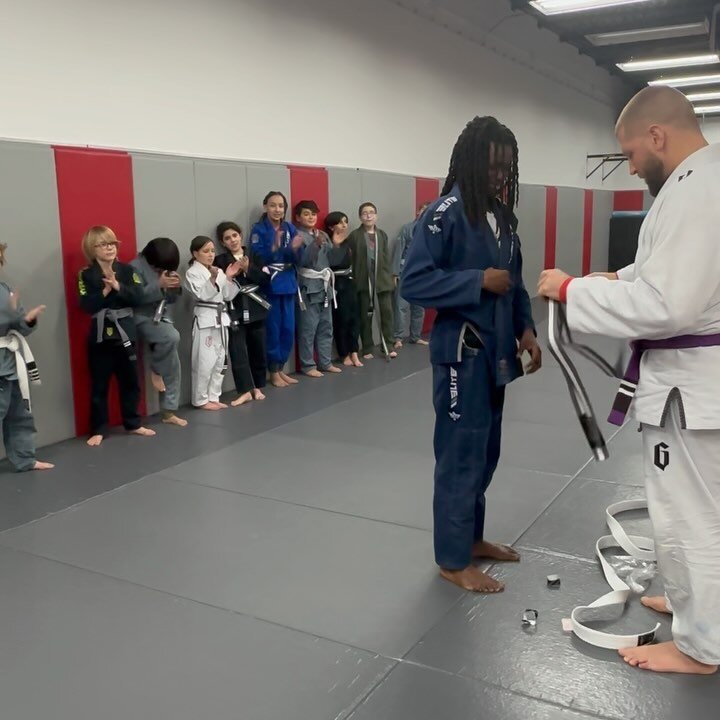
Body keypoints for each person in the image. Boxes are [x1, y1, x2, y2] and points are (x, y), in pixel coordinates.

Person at [538, 86, 720, 676]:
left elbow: (668, 302)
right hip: (696, 385)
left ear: (657, 136)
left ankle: (701, 646)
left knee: (690, 516)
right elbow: (662, 270)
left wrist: (572, 290)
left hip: (691, 391)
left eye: (632, 153)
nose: (633, 166)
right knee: (703, 511)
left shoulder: (698, 191)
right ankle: (698, 606)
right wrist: (614, 276)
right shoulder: (700, 182)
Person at [401, 116, 541, 594]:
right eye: (493, 165)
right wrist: (475, 280)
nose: (501, 175)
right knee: (460, 455)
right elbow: (413, 282)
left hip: (498, 352)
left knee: (485, 452)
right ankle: (452, 558)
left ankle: (473, 537)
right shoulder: (443, 213)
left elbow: (515, 280)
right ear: (471, 160)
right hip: (462, 353)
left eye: (507, 168)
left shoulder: (502, 217)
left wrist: (527, 329)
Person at [78, 226, 156, 446]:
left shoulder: (128, 271)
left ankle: (133, 423)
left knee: (131, 379)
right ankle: (99, 428)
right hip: (101, 333)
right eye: (103, 244)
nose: (109, 248)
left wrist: (118, 286)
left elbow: (140, 297)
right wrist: (104, 291)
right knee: (100, 383)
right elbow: (85, 304)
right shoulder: (86, 274)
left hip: (126, 328)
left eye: (112, 243)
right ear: (92, 249)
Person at [0, 242, 53, 471]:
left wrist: (28, 320)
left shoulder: (4, 288)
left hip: (10, 363)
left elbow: (18, 324)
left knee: (19, 414)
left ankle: (25, 459)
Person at [130, 237, 187, 426]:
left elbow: (168, 300)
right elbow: (134, 298)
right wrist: (158, 285)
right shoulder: (134, 268)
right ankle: (156, 368)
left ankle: (169, 411)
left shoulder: (163, 267)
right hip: (141, 317)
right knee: (172, 336)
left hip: (161, 316)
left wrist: (174, 288)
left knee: (173, 362)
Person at [249, 192, 304, 387]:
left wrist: (296, 249)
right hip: (271, 284)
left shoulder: (289, 227)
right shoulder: (258, 230)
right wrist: (274, 246)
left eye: (281, 206)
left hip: (288, 282)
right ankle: (272, 371)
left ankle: (280, 367)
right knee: (273, 328)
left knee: (288, 328)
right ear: (265, 207)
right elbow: (257, 257)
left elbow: (298, 258)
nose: (277, 209)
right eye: (273, 205)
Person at [214, 221, 270, 403]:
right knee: (237, 350)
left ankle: (257, 386)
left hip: (256, 307)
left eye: (234, 236)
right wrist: (231, 275)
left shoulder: (256, 255)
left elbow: (266, 280)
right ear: (223, 243)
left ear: (241, 235)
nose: (232, 240)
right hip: (235, 309)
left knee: (258, 349)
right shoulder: (221, 261)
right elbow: (220, 285)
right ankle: (245, 390)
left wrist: (248, 269)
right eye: (227, 238)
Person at [184, 236, 242, 410]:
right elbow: (202, 295)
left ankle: (214, 396)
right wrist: (212, 279)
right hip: (205, 319)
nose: (210, 255)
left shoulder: (217, 270)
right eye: (205, 251)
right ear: (195, 253)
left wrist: (229, 277)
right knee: (204, 361)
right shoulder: (192, 273)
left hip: (221, 318)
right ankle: (200, 400)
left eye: (212, 251)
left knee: (220, 359)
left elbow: (227, 296)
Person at [295, 200, 341, 377]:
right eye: (306, 214)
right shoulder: (297, 236)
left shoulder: (322, 234)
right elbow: (303, 261)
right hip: (308, 287)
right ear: (298, 217)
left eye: (313, 214)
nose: (311, 217)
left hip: (325, 286)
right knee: (308, 328)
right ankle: (308, 365)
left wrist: (336, 244)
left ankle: (325, 362)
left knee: (326, 326)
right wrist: (315, 245)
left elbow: (333, 260)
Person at [346, 203, 396, 359]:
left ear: (376, 216)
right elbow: (351, 259)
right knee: (365, 315)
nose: (368, 215)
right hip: (363, 280)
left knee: (387, 313)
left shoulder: (382, 234)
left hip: (381, 280)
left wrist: (390, 276)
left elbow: (386, 257)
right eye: (365, 213)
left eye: (371, 212)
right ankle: (367, 347)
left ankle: (388, 345)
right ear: (360, 217)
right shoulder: (354, 236)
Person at [325, 212, 362, 368]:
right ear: (331, 226)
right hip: (336, 283)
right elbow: (333, 262)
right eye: (340, 223)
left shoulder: (349, 241)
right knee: (342, 319)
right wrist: (335, 244)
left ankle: (354, 351)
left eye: (345, 222)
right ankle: (344, 353)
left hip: (349, 281)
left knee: (354, 318)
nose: (344, 225)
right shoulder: (327, 241)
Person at [392, 204, 429, 349]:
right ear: (417, 211)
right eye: (423, 210)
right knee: (401, 307)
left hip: (422, 274)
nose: (425, 213)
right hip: (405, 272)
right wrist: (395, 272)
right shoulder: (407, 229)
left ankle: (416, 336)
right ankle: (398, 337)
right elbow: (398, 251)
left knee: (419, 307)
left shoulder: (432, 230)